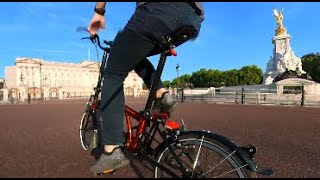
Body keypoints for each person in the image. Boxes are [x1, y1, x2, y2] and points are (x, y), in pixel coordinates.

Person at [87, 2, 204, 174]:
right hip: (192, 19)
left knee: (113, 74)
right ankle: (161, 93)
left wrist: (99, 12)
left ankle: (111, 151)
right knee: (133, 53)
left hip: (158, 11)